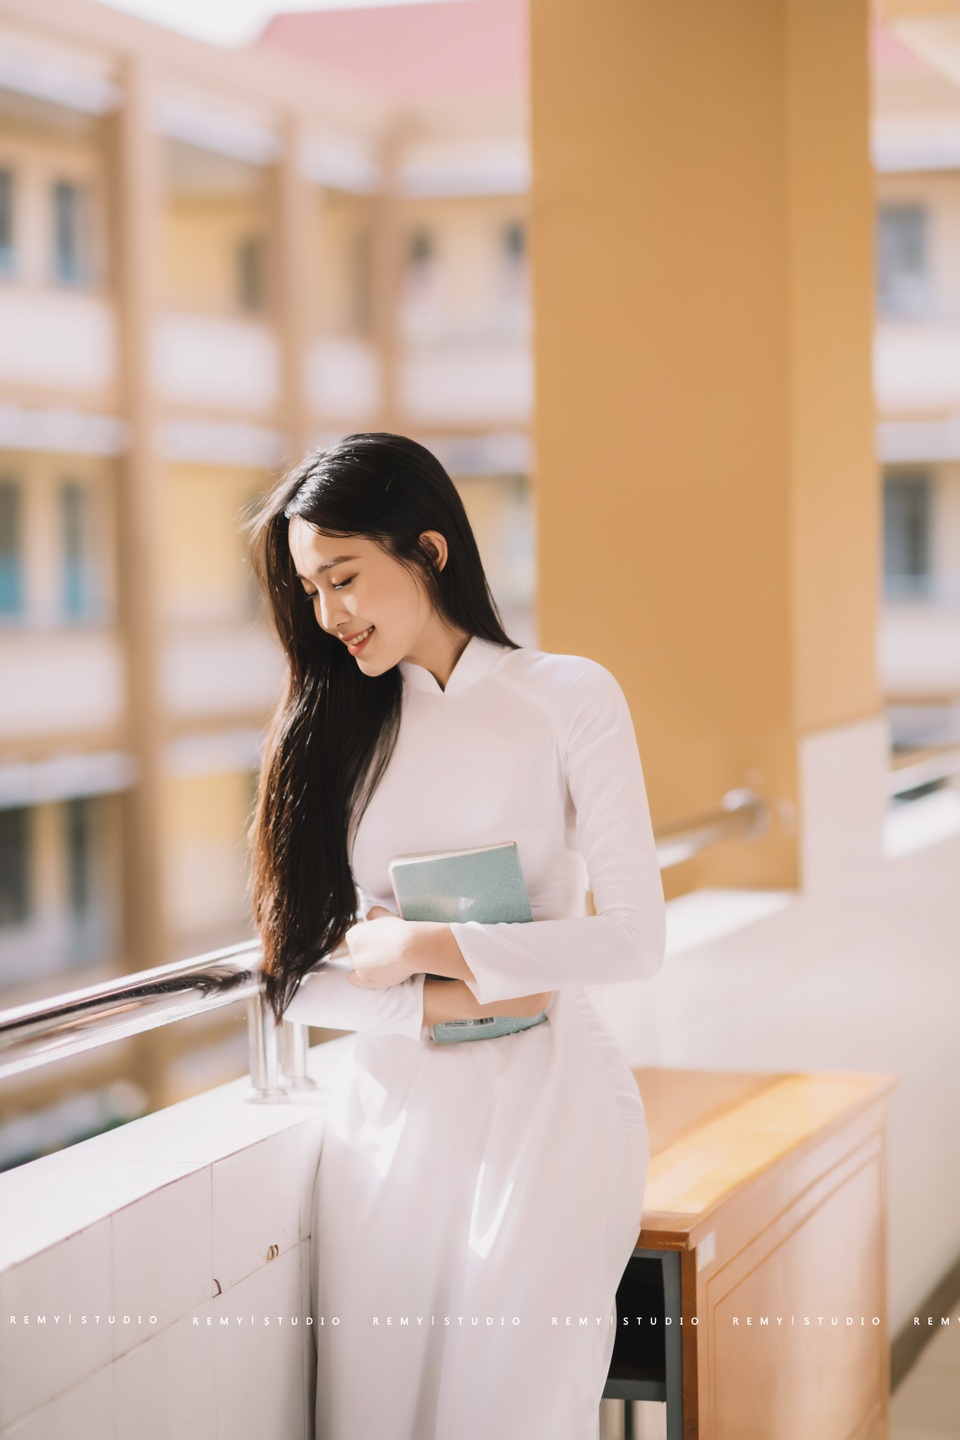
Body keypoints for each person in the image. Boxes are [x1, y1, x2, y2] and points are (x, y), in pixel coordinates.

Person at [247, 432, 666, 1440]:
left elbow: (635, 941)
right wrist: (453, 998)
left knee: (515, 1410)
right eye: (311, 590)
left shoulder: (570, 698)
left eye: (343, 578)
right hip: (392, 1126)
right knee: (378, 1414)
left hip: (552, 1114)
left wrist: (424, 949)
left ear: (428, 550)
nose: (328, 613)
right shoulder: (329, 733)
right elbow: (293, 978)